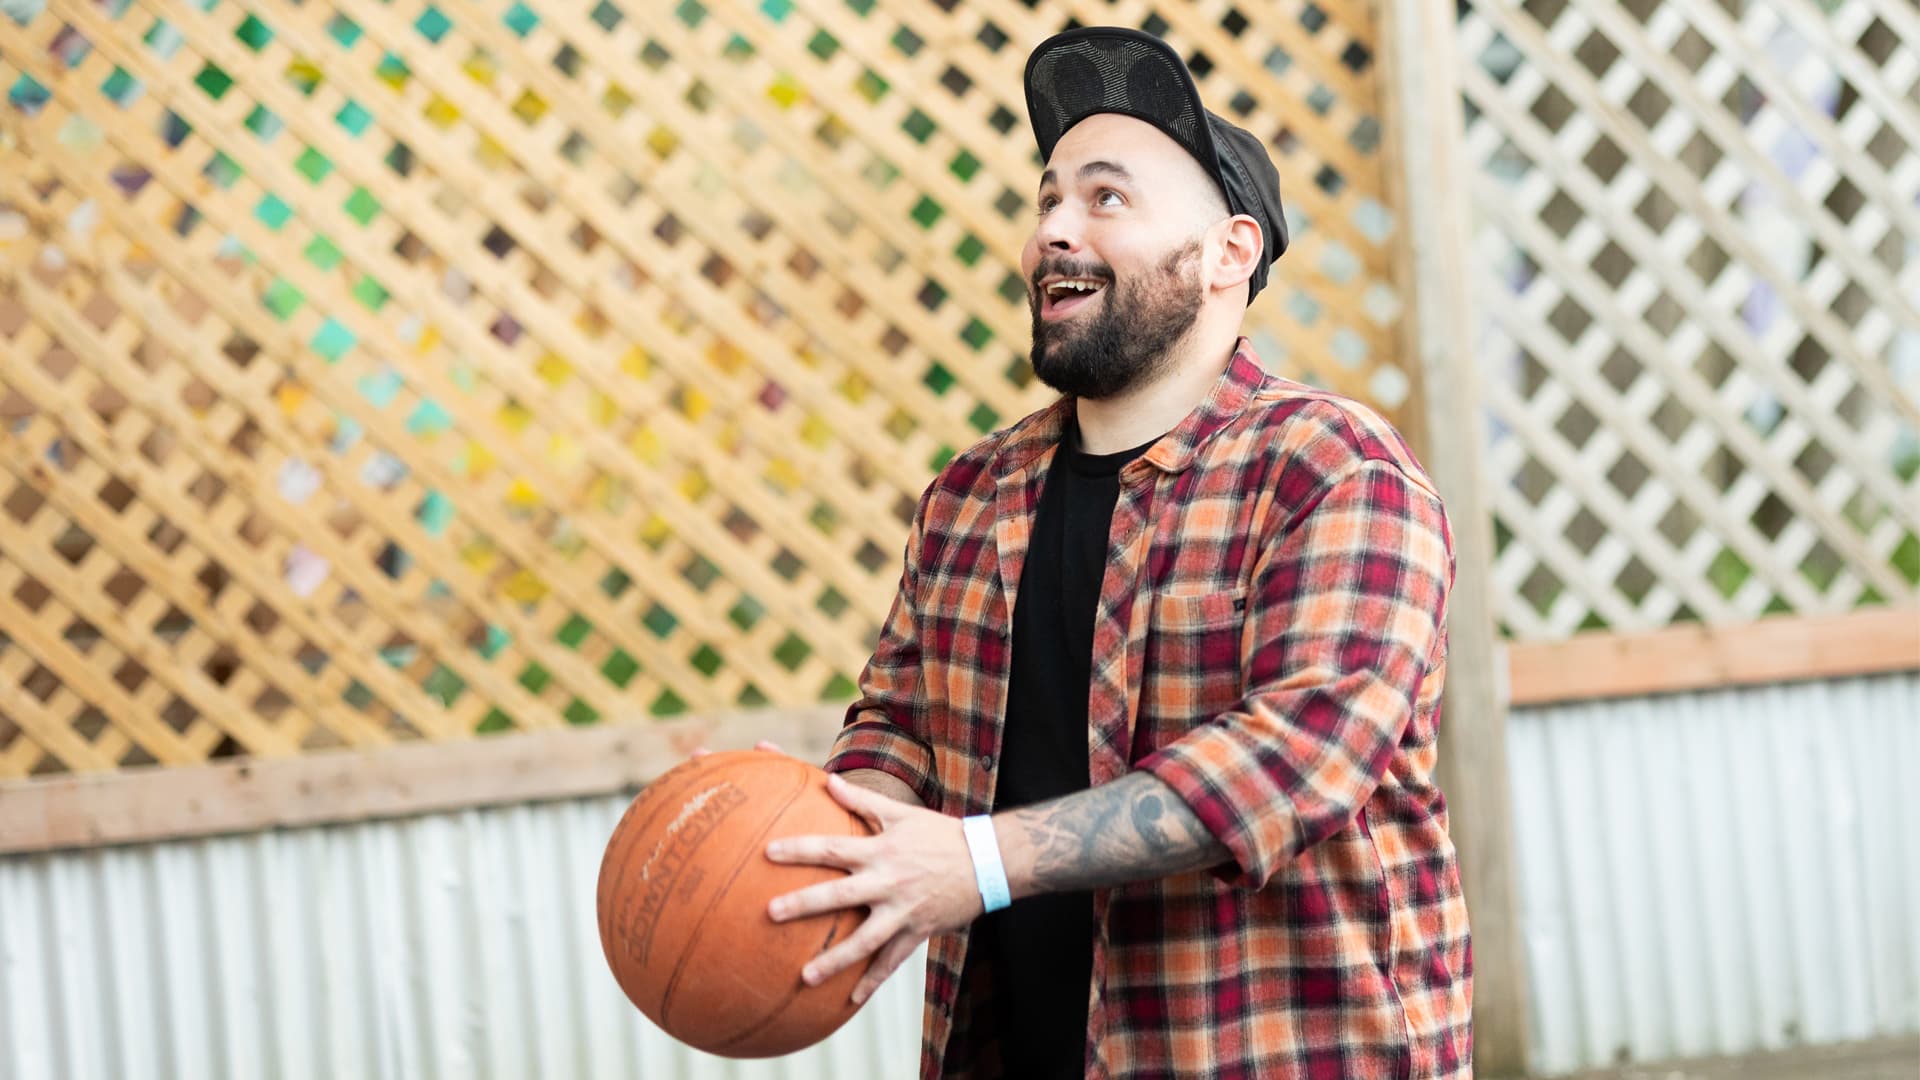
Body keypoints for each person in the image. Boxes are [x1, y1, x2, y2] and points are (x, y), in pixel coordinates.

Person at [761, 26, 1472, 1079]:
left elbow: (1292, 760)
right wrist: (790, 828)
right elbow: (901, 728)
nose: (1054, 227)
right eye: (1048, 198)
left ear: (1232, 253)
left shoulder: (1333, 468)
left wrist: (979, 860)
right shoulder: (970, 495)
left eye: (1106, 198)